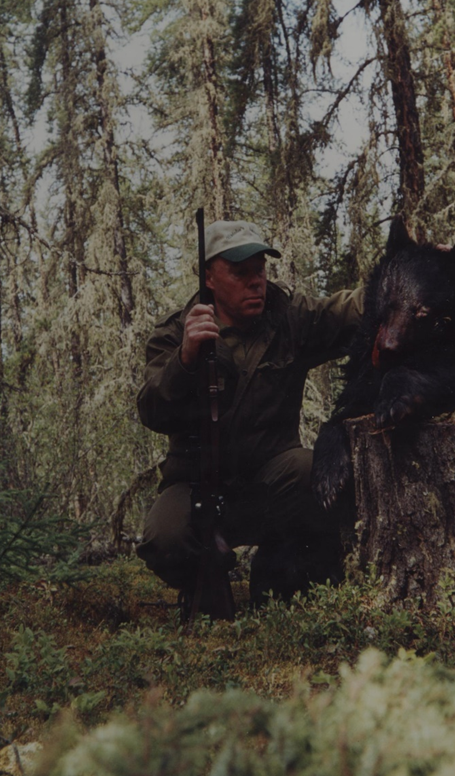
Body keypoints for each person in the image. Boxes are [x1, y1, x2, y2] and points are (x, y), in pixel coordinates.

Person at [136, 219, 364, 611]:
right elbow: (152, 411)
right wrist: (186, 359)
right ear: (209, 277)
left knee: (317, 472)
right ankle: (206, 575)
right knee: (164, 538)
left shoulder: (289, 318)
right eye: (240, 273)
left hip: (270, 481)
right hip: (195, 485)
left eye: (259, 270)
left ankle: (283, 576)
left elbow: (346, 310)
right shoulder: (175, 333)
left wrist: (410, 271)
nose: (255, 282)